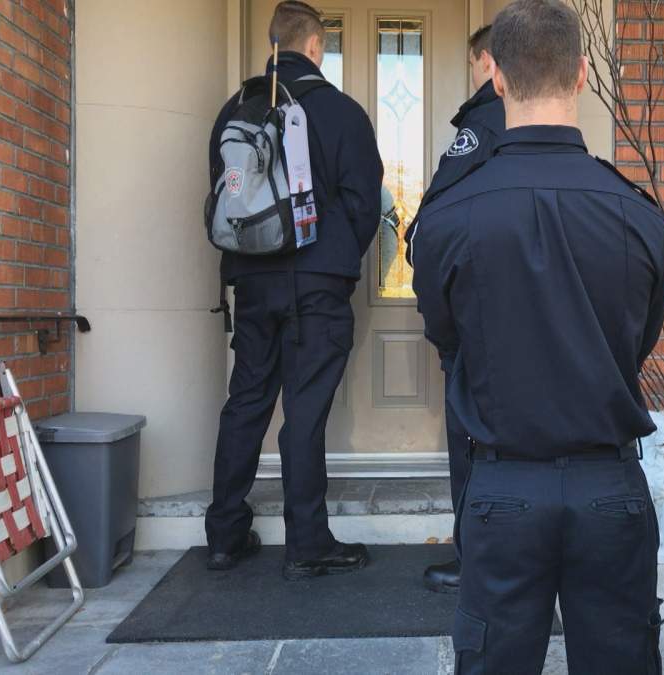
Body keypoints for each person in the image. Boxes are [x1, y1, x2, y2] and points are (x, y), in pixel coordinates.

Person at [411, 0, 664, 671]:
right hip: (607, 490)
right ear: (584, 73)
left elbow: (448, 340)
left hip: (504, 491)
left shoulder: (448, 216)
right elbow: (635, 342)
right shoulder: (640, 218)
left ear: (495, 76)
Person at [204, 0, 383, 580]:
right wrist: (334, 262)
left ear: (273, 44)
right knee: (305, 411)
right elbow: (363, 207)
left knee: (246, 401)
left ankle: (225, 534)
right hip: (318, 285)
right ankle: (307, 544)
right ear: (314, 47)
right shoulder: (342, 112)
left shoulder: (237, 109)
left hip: (251, 283)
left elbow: (226, 200)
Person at [414, 24, 506, 596]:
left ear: (487, 61)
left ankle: (475, 560)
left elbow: (430, 227)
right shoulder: (531, 126)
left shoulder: (481, 125)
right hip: (516, 315)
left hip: (476, 318)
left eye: (474, 64)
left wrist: (442, 327)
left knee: (470, 444)